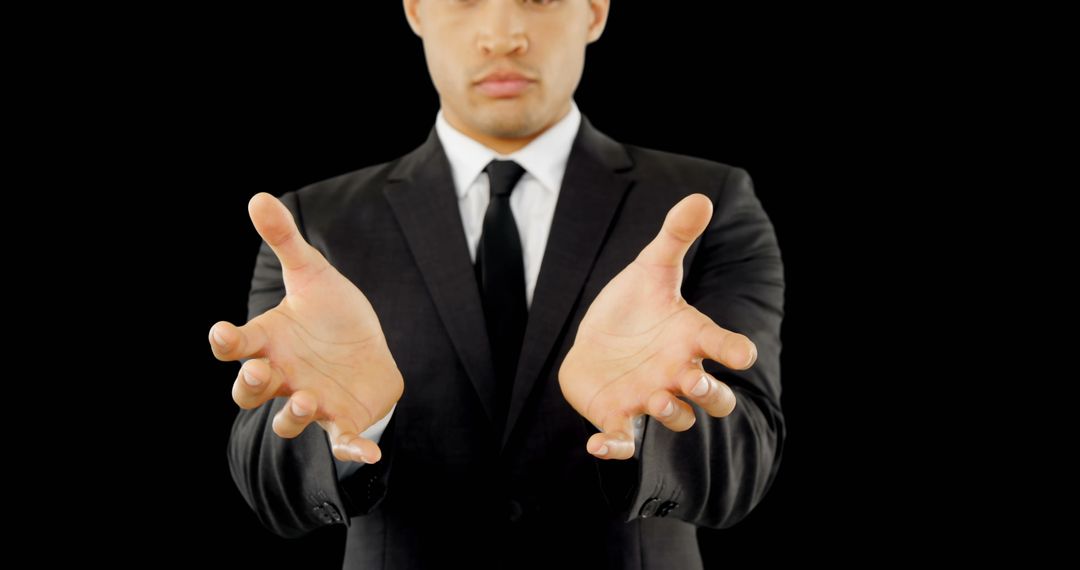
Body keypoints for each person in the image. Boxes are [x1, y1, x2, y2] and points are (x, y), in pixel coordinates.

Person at [209, 1, 785, 568]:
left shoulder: (705, 208)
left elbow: (745, 468)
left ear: (594, 11)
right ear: (415, 11)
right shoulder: (313, 227)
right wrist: (343, 433)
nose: (503, 35)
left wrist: (649, 425)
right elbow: (270, 490)